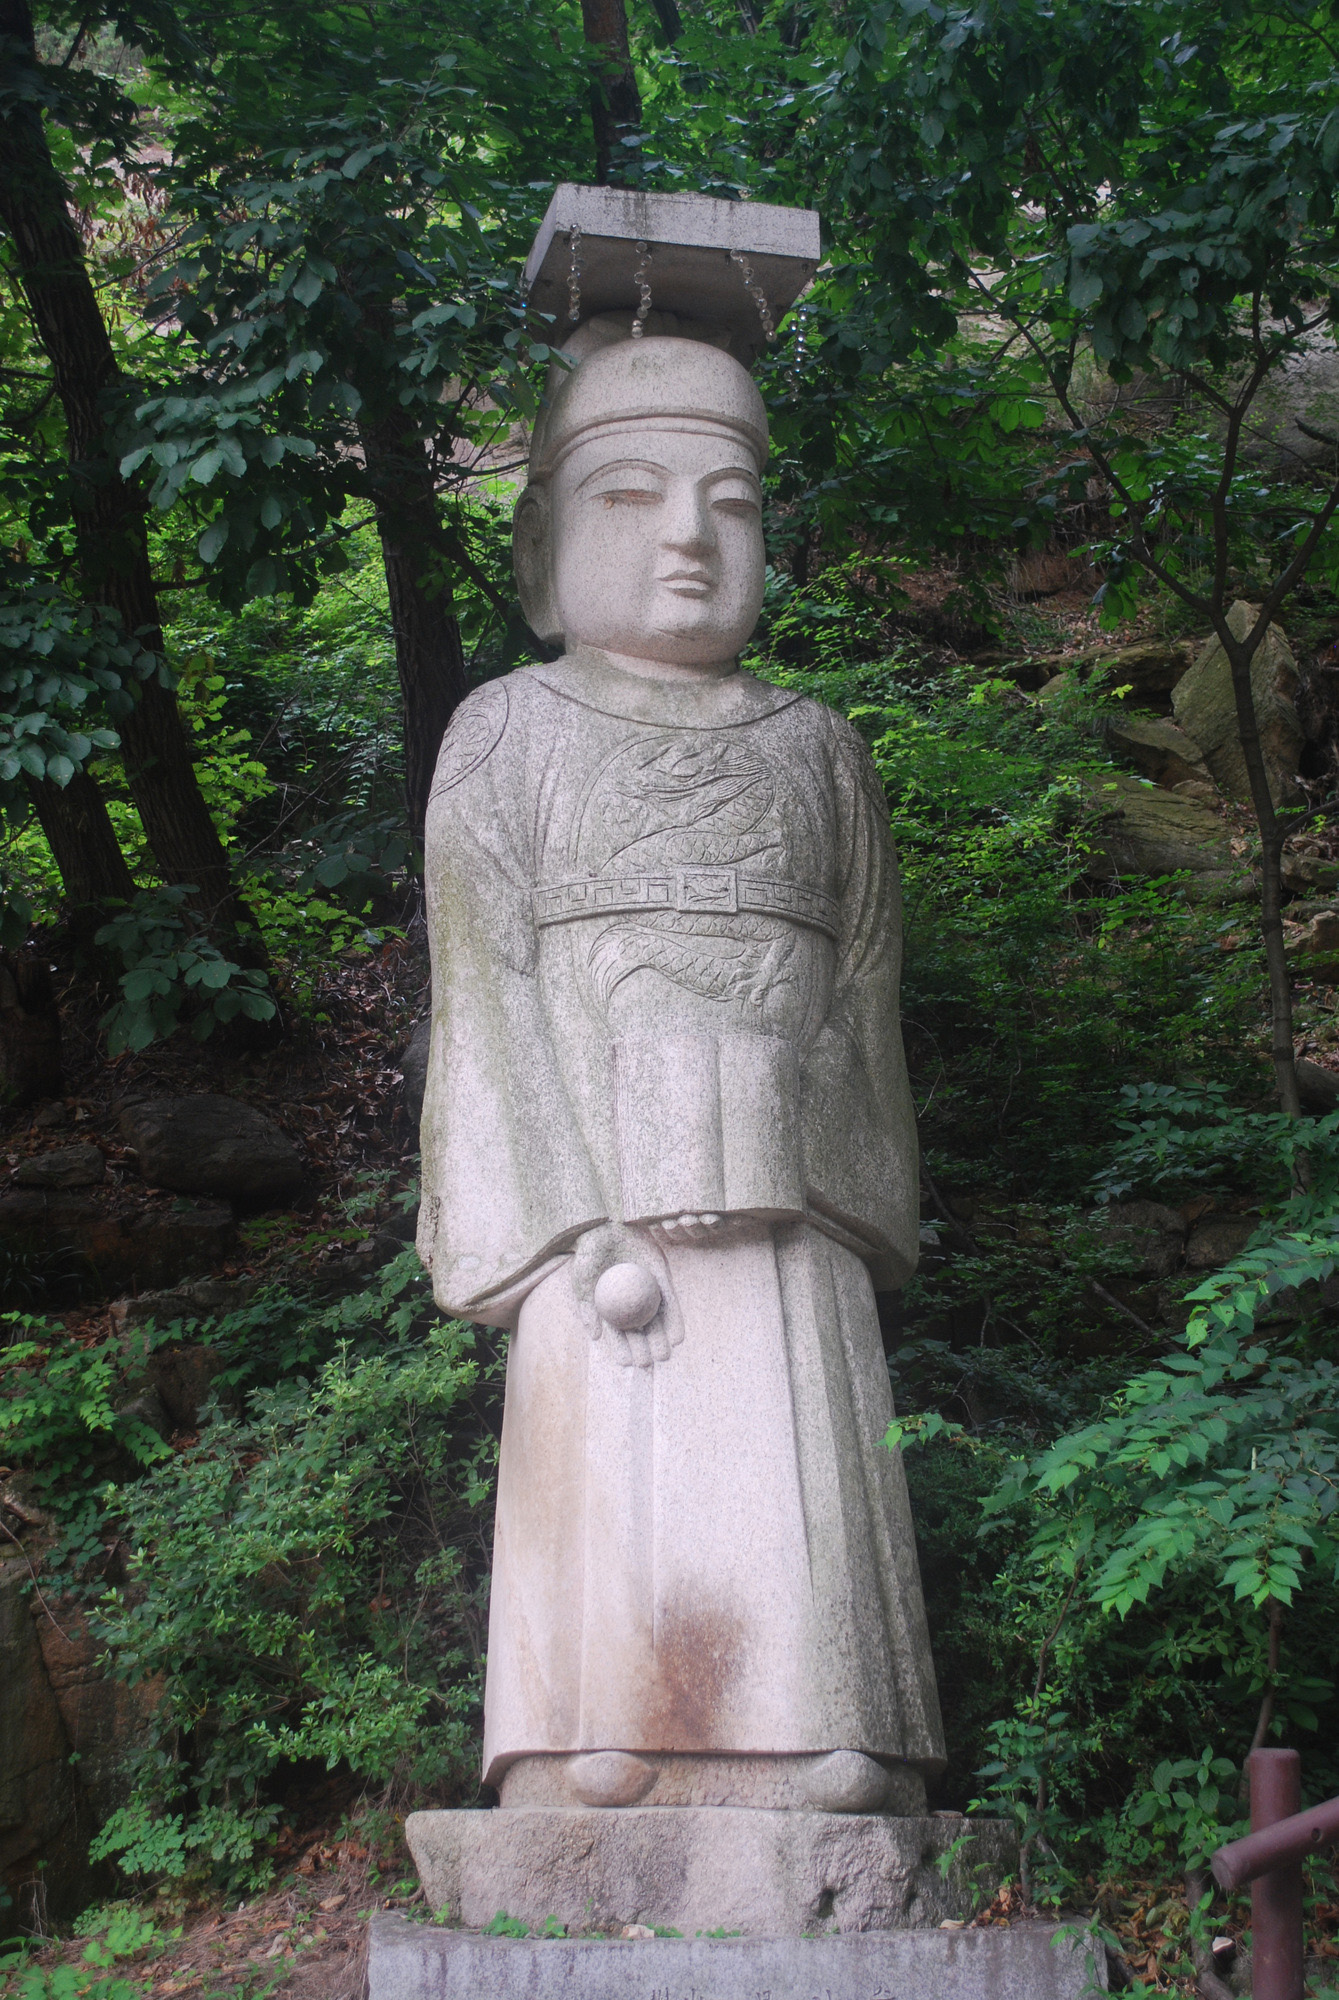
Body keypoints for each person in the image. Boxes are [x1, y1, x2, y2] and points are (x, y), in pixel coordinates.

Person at [417, 333, 944, 1816]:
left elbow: (865, 986)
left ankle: (836, 1726)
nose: (690, 539)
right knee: (609, 1425)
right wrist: (570, 1219)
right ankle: (594, 1730)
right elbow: (488, 1002)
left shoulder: (819, 748)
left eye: (734, 503)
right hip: (598, 1212)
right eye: (632, 496)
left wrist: (792, 1125)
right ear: (542, 550)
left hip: (788, 1194)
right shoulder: (504, 734)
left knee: (798, 1436)